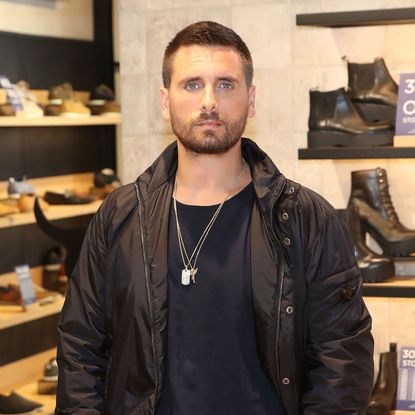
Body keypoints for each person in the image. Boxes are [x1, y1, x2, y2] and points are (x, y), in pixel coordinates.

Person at [55, 21, 374, 415]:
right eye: (191, 85)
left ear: (250, 100)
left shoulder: (306, 218)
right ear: (165, 101)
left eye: (226, 84)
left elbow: (342, 358)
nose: (209, 101)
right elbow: (81, 349)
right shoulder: (120, 217)